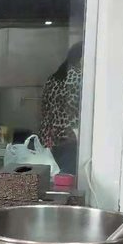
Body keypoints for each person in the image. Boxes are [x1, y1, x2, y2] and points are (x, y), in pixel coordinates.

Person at [38, 42, 82, 175]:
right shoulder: (79, 78)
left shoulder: (53, 78)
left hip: (50, 139)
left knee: (54, 177)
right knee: (67, 178)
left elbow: (44, 110)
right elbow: (77, 110)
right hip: (69, 139)